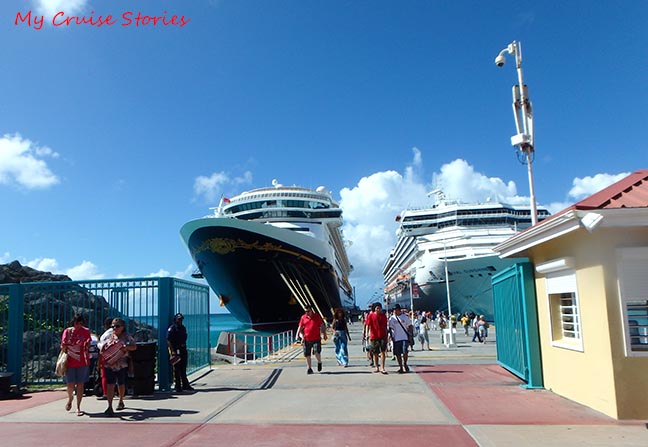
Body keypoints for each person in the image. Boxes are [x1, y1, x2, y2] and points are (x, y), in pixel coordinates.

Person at [100, 318, 137, 416]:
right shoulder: (108, 335)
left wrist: (126, 347)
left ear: (122, 327)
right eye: (113, 326)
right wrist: (103, 348)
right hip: (109, 363)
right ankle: (110, 406)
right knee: (110, 384)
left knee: (121, 383)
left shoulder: (126, 336)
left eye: (117, 326)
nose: (114, 328)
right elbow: (101, 345)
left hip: (121, 363)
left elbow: (134, 346)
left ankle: (121, 400)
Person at [60, 314, 91, 416]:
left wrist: (84, 345)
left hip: (82, 360)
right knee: (70, 384)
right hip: (70, 361)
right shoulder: (68, 331)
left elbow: (88, 344)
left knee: (80, 384)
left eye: (80, 323)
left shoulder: (86, 331)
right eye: (76, 323)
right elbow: (63, 345)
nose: (78, 325)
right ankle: (70, 399)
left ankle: (78, 407)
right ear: (73, 322)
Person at [296, 305, 327, 374]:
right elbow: (300, 327)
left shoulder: (317, 316)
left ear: (311, 310)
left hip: (316, 338)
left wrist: (324, 334)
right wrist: (298, 336)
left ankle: (319, 362)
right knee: (307, 354)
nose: (307, 313)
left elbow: (321, 325)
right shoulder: (303, 317)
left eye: (308, 311)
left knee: (317, 352)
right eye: (305, 311)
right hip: (307, 339)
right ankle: (309, 368)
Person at [167, 313, 194, 392]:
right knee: (177, 368)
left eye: (181, 319)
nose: (180, 321)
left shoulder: (183, 328)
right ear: (175, 320)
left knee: (183, 367)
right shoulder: (172, 328)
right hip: (176, 350)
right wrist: (172, 351)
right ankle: (178, 385)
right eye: (178, 319)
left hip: (183, 349)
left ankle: (185, 384)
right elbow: (169, 340)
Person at [388, 304, 413, 373]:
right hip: (396, 338)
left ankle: (405, 363)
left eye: (396, 310)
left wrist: (410, 335)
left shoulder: (405, 317)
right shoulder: (392, 318)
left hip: (404, 337)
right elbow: (390, 328)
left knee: (405, 352)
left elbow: (410, 326)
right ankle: (401, 367)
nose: (395, 311)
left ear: (399, 310)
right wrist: (391, 336)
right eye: (394, 310)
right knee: (398, 354)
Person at [365, 302, 388, 374]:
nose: (378, 309)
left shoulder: (383, 316)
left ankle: (382, 367)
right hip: (374, 336)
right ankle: (377, 367)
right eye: (377, 308)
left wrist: (387, 336)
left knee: (383, 352)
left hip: (382, 336)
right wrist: (367, 334)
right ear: (374, 309)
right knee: (375, 352)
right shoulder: (370, 316)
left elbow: (385, 326)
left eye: (379, 308)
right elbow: (368, 325)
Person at [97, 317, 113, 399]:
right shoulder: (119, 333)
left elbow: (102, 347)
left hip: (106, 356)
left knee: (104, 375)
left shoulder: (105, 335)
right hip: (117, 356)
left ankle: (106, 393)